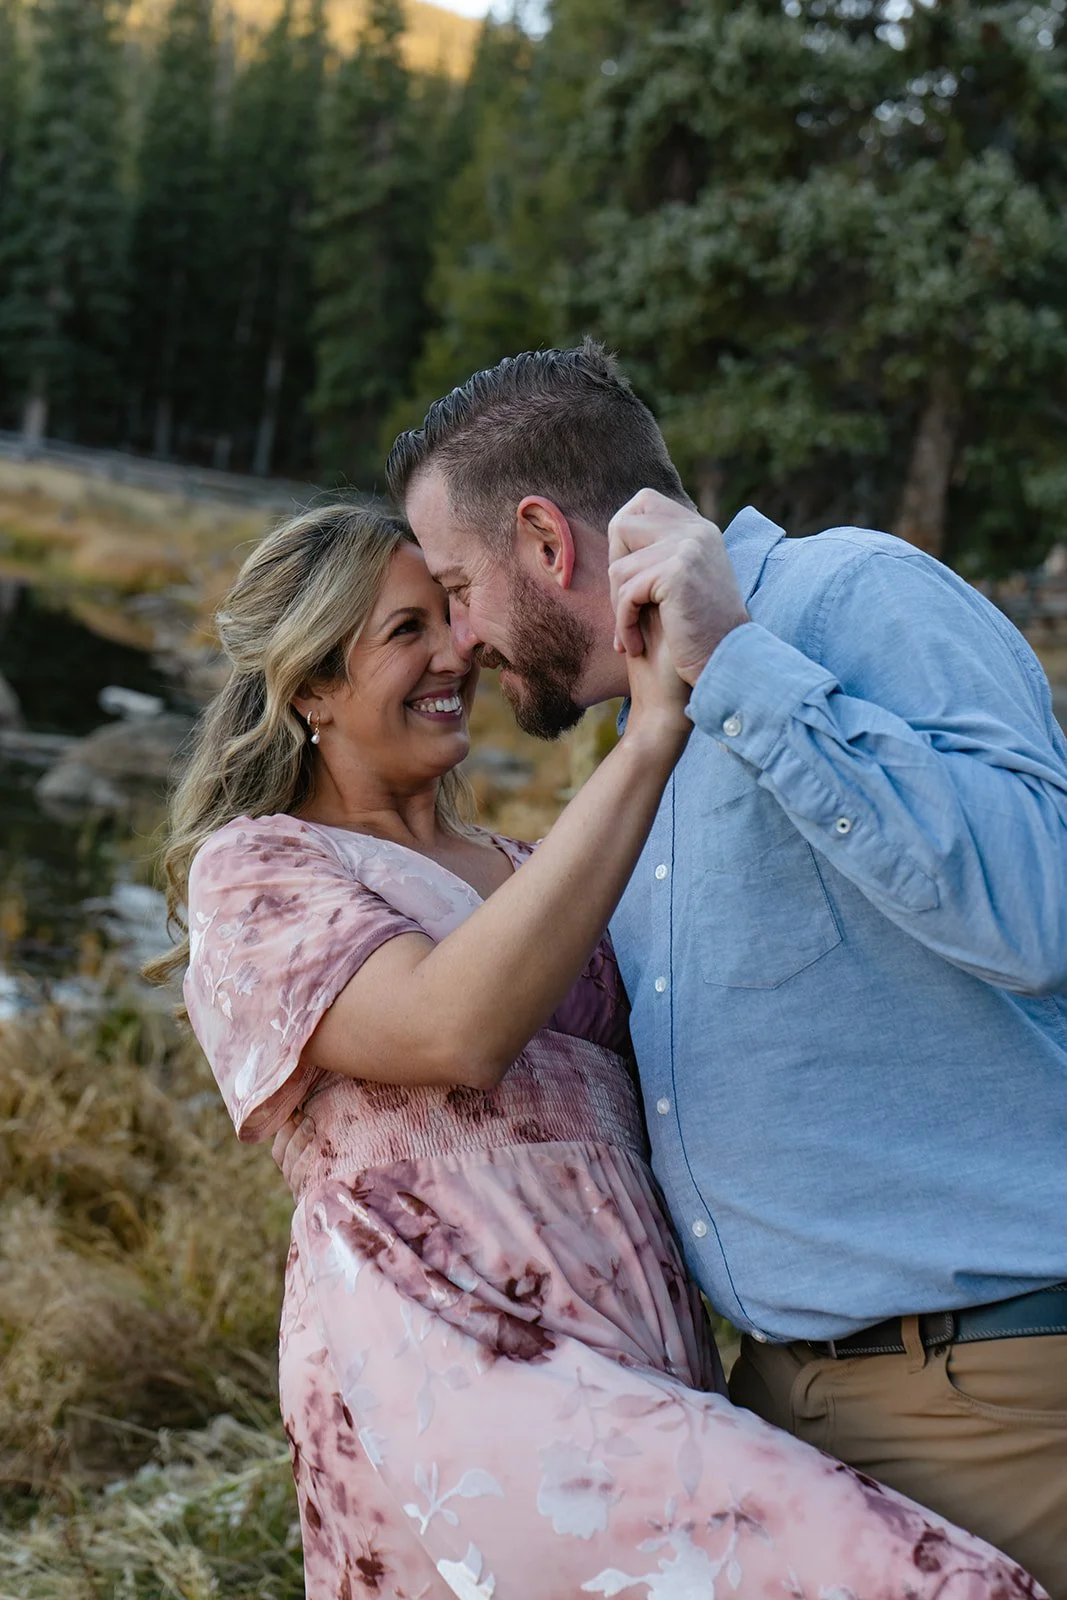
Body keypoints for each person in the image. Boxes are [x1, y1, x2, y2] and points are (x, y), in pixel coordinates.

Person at [151, 502, 1040, 1600]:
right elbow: (456, 1031)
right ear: (310, 689)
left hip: (637, 1344)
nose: (457, 651)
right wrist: (654, 732)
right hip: (458, 1352)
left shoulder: (534, 866)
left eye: (452, 615)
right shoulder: (259, 875)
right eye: (405, 631)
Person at [386, 340, 1067, 1596]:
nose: (462, 640)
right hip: (766, 1410)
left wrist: (741, 663)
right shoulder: (640, 758)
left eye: (456, 588)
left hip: (994, 1407)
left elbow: (1038, 915)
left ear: (544, 540)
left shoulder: (856, 596)